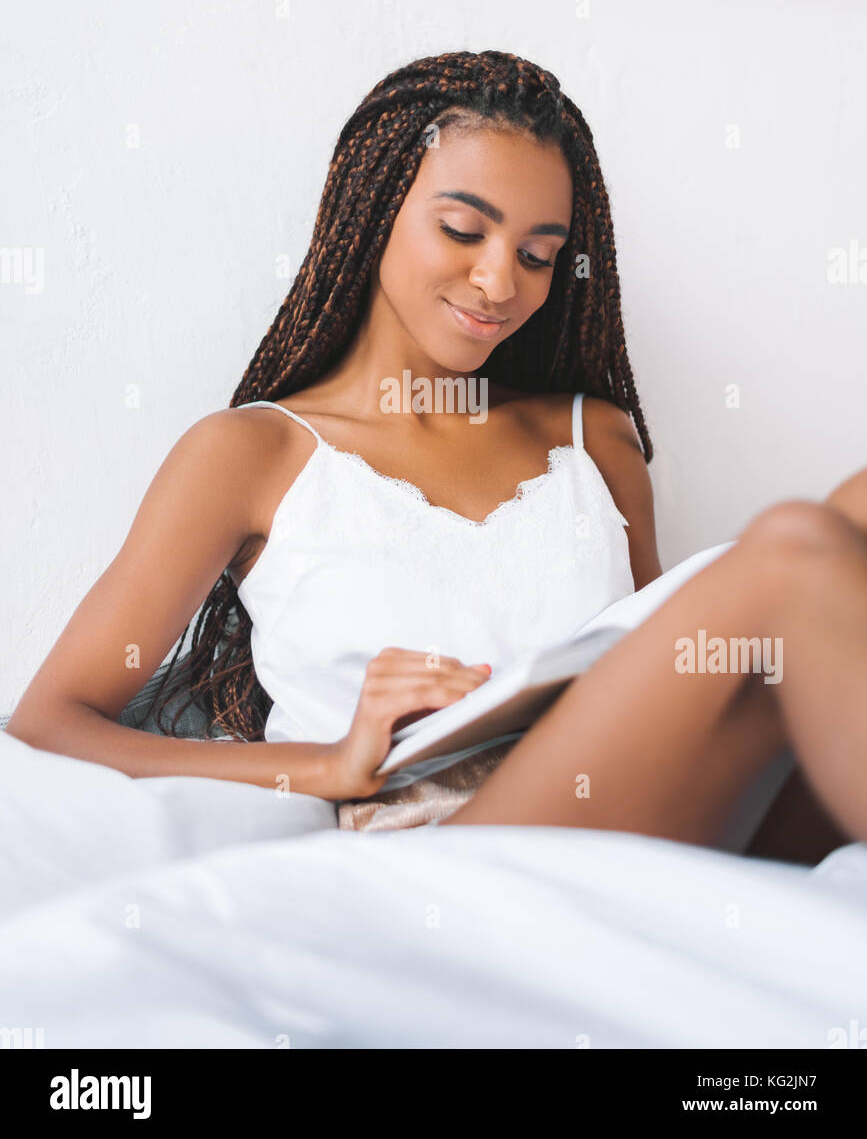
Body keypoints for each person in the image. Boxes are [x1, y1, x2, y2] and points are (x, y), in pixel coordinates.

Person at [8, 49, 865, 863]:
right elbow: (51, 723)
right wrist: (331, 763)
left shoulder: (592, 438)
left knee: (852, 512)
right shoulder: (251, 453)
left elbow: (658, 668)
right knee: (793, 547)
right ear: (375, 209)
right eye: (462, 231)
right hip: (438, 845)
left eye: (538, 255)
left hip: (630, 812)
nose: (500, 283)